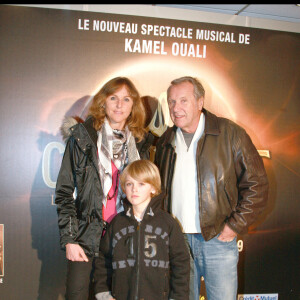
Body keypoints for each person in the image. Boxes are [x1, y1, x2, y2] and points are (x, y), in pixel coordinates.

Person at [154, 76, 269, 300]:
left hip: (217, 239)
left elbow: (257, 184)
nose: (176, 108)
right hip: (177, 243)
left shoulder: (230, 134)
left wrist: (234, 225)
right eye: (171, 102)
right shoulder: (165, 141)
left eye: (183, 101)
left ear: (200, 102)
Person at [55, 77, 154, 300]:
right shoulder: (82, 138)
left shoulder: (141, 143)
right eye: (113, 98)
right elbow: (64, 192)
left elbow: (147, 194)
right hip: (85, 237)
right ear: (103, 102)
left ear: (133, 105)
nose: (119, 105)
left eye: (126, 99)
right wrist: (70, 239)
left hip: (125, 236)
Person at [93, 160, 190, 300]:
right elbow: (103, 260)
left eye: (141, 184)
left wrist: (178, 297)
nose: (134, 189)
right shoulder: (116, 223)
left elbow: (181, 264)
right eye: (129, 184)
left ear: (153, 188)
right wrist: (104, 294)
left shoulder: (168, 224)